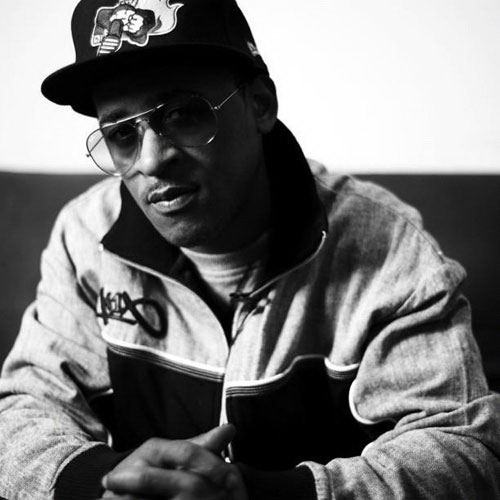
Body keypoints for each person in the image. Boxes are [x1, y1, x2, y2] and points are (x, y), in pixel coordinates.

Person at [1, 0, 500, 498]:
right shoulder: (85, 236)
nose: (151, 160)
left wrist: (259, 495)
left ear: (260, 105)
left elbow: (463, 452)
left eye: (182, 114)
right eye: (121, 133)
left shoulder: (386, 245)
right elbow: (22, 413)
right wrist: (104, 486)